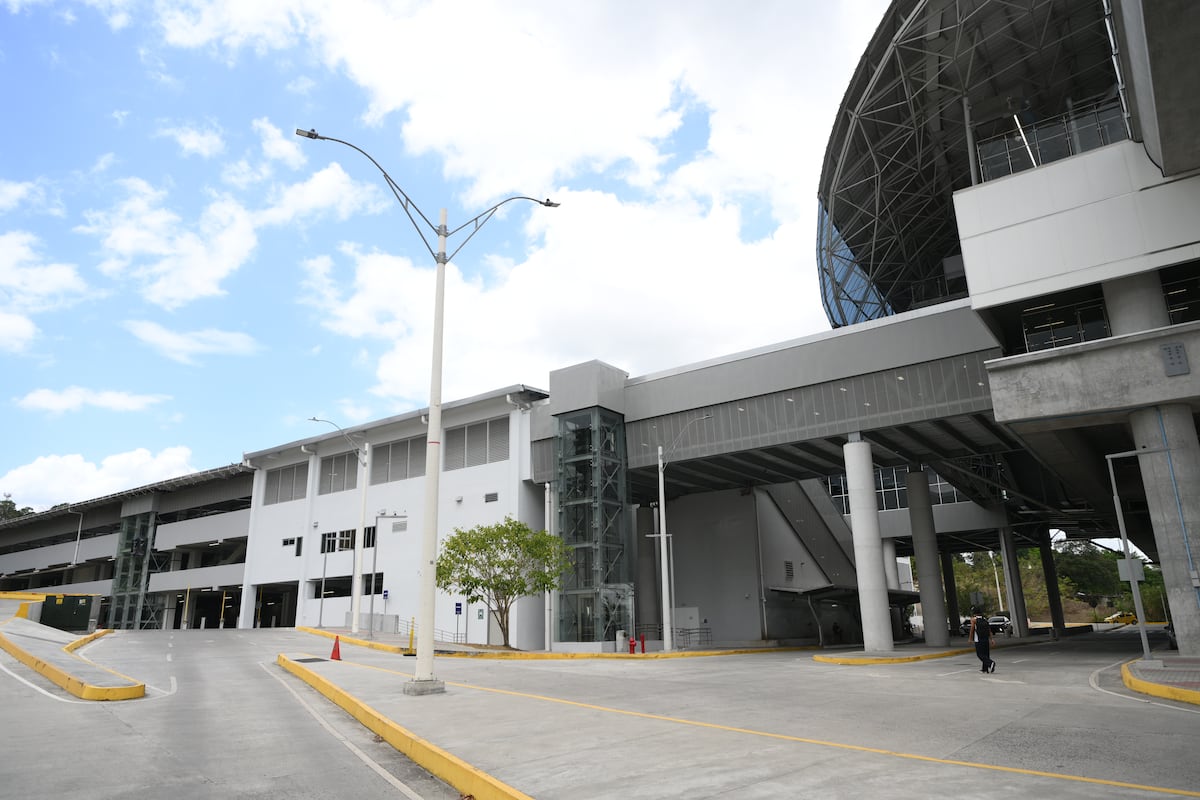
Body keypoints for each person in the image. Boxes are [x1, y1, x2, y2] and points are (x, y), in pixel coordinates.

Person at [967, 607, 995, 673]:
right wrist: (992, 639)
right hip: (986, 639)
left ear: (974, 613)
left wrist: (970, 639)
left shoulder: (974, 620)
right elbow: (989, 630)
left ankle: (991, 663)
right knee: (986, 654)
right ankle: (985, 669)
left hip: (979, 640)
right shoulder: (985, 619)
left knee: (980, 654)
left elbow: (972, 630)